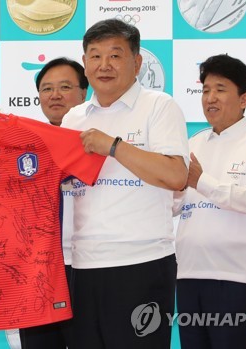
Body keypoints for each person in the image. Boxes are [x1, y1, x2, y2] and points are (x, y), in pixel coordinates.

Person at [61, 18, 189, 348]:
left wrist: (114, 146)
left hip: (142, 264)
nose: (104, 65)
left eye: (115, 55)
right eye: (95, 55)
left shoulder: (159, 106)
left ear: (137, 62)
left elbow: (176, 175)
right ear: (85, 63)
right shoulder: (75, 117)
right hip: (84, 265)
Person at [174, 54, 246, 349]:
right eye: (205, 90)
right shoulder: (192, 144)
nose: (210, 98)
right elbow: (176, 205)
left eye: (220, 89)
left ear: (244, 98)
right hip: (188, 274)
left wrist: (201, 181)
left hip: (234, 278)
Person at [18, 57, 88, 349]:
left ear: (85, 93)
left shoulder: (98, 144)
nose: (54, 95)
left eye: (64, 87)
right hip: (38, 270)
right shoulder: (22, 147)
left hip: (90, 267)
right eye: (46, 89)